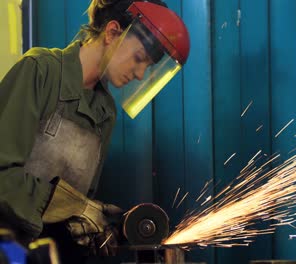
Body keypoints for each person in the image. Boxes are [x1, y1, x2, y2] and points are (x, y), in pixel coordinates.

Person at [0, 0, 190, 261]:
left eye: (148, 66)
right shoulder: (40, 71)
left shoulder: (104, 111)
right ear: (112, 32)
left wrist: (111, 228)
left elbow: (79, 213)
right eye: (139, 59)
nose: (140, 74)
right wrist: (73, 207)